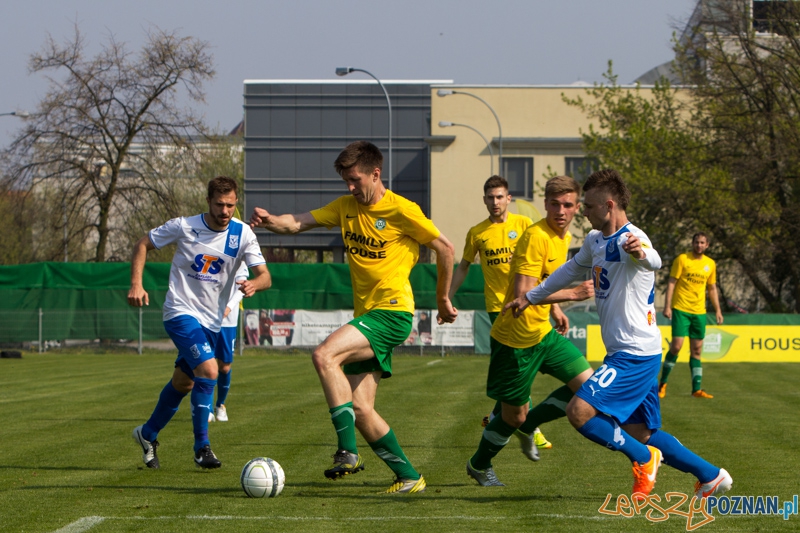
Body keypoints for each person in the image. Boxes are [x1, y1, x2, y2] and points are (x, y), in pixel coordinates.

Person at [507, 169, 732, 499]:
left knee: (579, 412)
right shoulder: (595, 240)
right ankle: (711, 476)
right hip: (632, 352)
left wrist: (640, 252)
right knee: (639, 432)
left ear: (609, 205)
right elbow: (569, 270)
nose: (583, 212)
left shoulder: (632, 238)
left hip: (634, 354)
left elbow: (653, 260)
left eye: (588, 206)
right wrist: (531, 296)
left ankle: (644, 459)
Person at [250, 140, 458, 494]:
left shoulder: (402, 210)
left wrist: (442, 299)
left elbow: (446, 248)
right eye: (346, 181)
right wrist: (270, 221)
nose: (350, 188)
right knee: (360, 408)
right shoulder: (345, 207)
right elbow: (297, 223)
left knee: (324, 355)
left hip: (392, 312)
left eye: (355, 180)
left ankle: (347, 451)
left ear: (375, 174)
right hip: (369, 315)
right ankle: (409, 477)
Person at [128, 176, 271, 469]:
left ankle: (147, 433)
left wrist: (255, 284)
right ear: (208, 201)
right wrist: (136, 284)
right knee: (209, 369)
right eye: (219, 204)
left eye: (230, 205)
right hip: (180, 311)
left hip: (212, 321)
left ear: (236, 203)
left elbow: (265, 276)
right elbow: (142, 244)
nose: (224, 211)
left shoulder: (243, 234)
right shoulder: (184, 226)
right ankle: (201, 447)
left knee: (184, 382)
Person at [465, 176, 596, 486]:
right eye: (555, 204)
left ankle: (529, 425)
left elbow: (545, 281)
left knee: (590, 387)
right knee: (513, 416)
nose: (561, 211)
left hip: (543, 334)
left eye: (567, 205)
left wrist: (555, 309)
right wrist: (573, 294)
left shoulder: (562, 237)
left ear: (577, 208)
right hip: (515, 341)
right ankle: (479, 464)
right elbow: (524, 294)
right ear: (545, 204)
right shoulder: (535, 236)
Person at [448, 175, 552, 451]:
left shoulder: (524, 224)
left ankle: (496, 415)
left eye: (499, 197)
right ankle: (531, 426)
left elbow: (541, 264)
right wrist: (447, 296)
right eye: (490, 197)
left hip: (528, 302)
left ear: (508, 198)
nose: (495, 202)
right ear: (484, 200)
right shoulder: (477, 232)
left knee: (516, 367)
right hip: (498, 307)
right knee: (518, 365)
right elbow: (463, 266)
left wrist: (552, 302)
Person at [658, 232, 723, 399]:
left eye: (702, 243)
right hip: (681, 309)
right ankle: (662, 384)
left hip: (699, 311)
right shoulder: (682, 259)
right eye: (696, 242)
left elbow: (712, 288)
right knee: (676, 346)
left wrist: (717, 310)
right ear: (692, 243)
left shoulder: (710, 264)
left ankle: (696, 390)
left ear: (707, 245)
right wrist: (667, 306)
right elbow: (671, 282)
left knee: (697, 350)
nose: (699, 245)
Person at [209, 264, 248, 423]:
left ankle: (220, 405)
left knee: (224, 367)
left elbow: (242, 289)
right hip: (206, 318)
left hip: (227, 322)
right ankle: (207, 408)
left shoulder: (239, 259)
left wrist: (229, 307)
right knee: (207, 365)